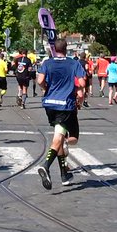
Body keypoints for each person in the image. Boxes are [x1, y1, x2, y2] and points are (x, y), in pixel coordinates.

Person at [36, 38, 84, 190]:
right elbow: (82, 84)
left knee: (60, 136)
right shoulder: (73, 63)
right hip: (66, 105)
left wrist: (46, 88)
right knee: (66, 137)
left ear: (54, 50)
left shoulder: (47, 63)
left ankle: (64, 175)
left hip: (50, 104)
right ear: (66, 49)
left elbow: (40, 81)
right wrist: (79, 96)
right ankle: (46, 165)